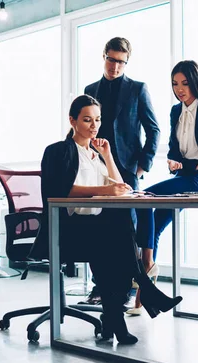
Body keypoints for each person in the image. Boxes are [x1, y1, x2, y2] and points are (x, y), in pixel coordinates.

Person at [31, 95, 181, 344]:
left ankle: (116, 317)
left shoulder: (96, 155)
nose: (94, 126)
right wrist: (101, 192)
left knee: (117, 234)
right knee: (119, 235)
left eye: (97, 120)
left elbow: (118, 185)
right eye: (87, 119)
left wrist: (108, 155)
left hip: (96, 229)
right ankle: (137, 296)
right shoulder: (59, 150)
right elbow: (57, 190)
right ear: (72, 120)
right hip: (67, 229)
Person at [128, 60, 198, 315]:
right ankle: (144, 296)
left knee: (145, 196)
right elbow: (172, 145)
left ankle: (145, 268)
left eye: (185, 83)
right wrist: (171, 159)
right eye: (174, 84)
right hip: (183, 176)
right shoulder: (174, 112)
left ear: (195, 82)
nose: (179, 89)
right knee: (154, 224)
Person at [82, 37, 161, 306]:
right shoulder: (90, 89)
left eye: (121, 62)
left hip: (127, 168)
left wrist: (143, 164)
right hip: (96, 168)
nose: (115, 66)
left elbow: (154, 129)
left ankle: (127, 286)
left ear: (127, 63)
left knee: (127, 228)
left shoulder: (138, 89)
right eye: (111, 59)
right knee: (98, 226)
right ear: (103, 56)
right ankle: (100, 286)